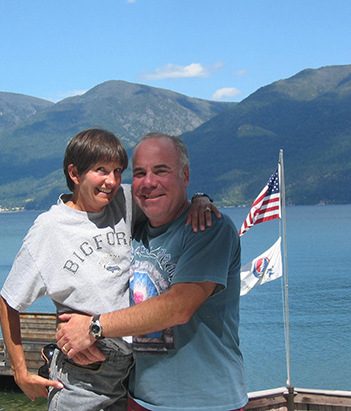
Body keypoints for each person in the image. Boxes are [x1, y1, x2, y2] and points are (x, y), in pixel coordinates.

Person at [0, 128, 218, 411]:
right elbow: (8, 302)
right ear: (75, 174)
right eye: (101, 171)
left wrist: (199, 198)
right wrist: (20, 372)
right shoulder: (49, 230)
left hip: (135, 370)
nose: (111, 181)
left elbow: (167, 199)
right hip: (85, 375)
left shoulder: (124, 202)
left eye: (117, 171)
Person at [56, 133, 248, 411]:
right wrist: (66, 324)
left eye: (161, 171)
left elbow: (178, 306)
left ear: (185, 175)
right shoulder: (131, 232)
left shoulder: (209, 228)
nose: (148, 182)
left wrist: (93, 327)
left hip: (207, 403)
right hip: (139, 398)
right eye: (140, 173)